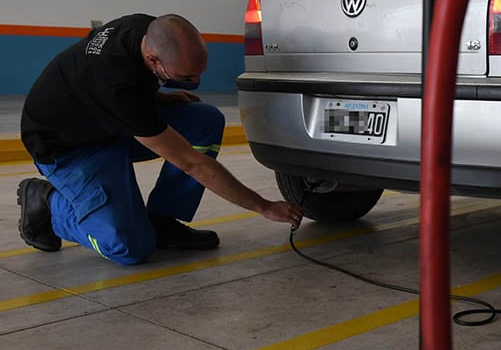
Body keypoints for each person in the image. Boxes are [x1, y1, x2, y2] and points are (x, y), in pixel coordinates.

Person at [17, 13, 302, 264]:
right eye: (185, 76)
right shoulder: (116, 89)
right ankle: (46, 201)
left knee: (204, 119)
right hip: (69, 149)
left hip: (108, 124)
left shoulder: (142, 28)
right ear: (153, 60)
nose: (194, 83)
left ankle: (162, 220)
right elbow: (193, 165)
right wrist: (263, 206)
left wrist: (155, 97)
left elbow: (125, 80)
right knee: (128, 248)